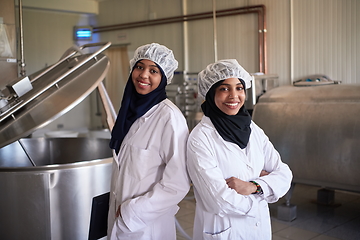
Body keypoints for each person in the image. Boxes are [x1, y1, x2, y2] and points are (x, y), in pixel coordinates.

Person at [186, 59, 292, 240]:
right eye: (224, 88)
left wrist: (253, 186)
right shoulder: (200, 138)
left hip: (260, 230)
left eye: (239, 88)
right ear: (211, 93)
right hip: (225, 230)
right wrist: (264, 192)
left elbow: (284, 174)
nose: (234, 96)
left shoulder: (253, 129)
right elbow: (219, 200)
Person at [108, 43, 190, 240]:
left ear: (163, 78)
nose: (144, 75)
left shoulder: (169, 117)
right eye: (139, 67)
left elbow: (178, 182)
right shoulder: (130, 112)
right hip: (121, 219)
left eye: (153, 70)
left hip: (146, 224)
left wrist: (132, 211)